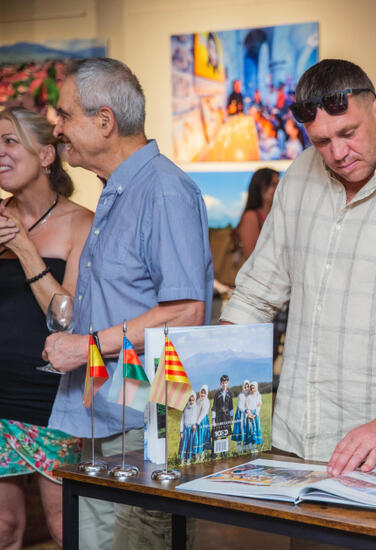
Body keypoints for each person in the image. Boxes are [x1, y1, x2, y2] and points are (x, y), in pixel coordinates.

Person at [221, 59, 376, 477]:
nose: (337, 153)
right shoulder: (298, 176)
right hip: (301, 433)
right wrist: (203, 379)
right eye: (321, 141)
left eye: (348, 133)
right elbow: (254, 296)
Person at [42, 57, 213, 550]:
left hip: (145, 422)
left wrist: (85, 347)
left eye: (64, 114)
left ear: (105, 121)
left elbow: (186, 312)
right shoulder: (119, 190)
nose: (57, 128)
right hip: (105, 416)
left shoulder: (163, 191)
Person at [0, 107, 93, 550]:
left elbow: (68, 317)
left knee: (63, 527)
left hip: (53, 397)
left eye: (9, 141)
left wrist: (23, 247)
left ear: (46, 155)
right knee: (4, 528)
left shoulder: (81, 223)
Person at [235, 168, 279, 262]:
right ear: (259, 186)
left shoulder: (276, 215)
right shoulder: (251, 217)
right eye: (273, 184)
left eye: (279, 184)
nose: (278, 188)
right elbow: (250, 255)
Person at [211, 374, 234, 456]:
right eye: (223, 383)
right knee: (215, 435)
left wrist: (231, 418)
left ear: (228, 383)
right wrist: (213, 420)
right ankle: (213, 453)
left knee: (224, 435)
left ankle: (223, 453)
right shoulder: (217, 394)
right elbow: (214, 407)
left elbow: (231, 407)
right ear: (220, 383)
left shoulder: (229, 394)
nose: (224, 384)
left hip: (226, 417)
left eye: (226, 383)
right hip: (218, 418)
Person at [193, 385, 211, 459]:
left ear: (206, 393)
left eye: (204, 393)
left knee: (203, 437)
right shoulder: (197, 401)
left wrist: (197, 422)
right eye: (201, 392)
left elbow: (203, 413)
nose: (202, 394)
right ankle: (197, 456)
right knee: (197, 438)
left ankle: (203, 455)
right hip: (197, 420)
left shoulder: (207, 401)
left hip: (203, 421)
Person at [179, 392, 197, 465]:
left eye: (192, 400)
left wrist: (195, 425)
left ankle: (189, 460)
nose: (191, 402)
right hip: (185, 430)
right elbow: (182, 421)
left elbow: (196, 418)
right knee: (184, 444)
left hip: (192, 430)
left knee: (190, 444)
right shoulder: (185, 409)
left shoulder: (196, 408)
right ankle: (182, 459)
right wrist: (181, 432)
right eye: (190, 400)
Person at [244, 382, 262, 452]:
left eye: (253, 388)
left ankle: (255, 447)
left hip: (255, 415)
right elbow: (246, 407)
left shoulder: (258, 396)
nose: (252, 389)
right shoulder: (248, 397)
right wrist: (249, 414)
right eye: (251, 388)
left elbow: (259, 406)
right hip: (250, 415)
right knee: (250, 430)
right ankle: (251, 447)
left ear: (256, 388)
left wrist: (256, 414)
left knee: (255, 429)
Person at [232, 381, 249, 453]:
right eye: (245, 387)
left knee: (245, 431)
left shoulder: (249, 395)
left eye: (247, 387)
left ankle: (244, 449)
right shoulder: (241, 395)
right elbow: (240, 406)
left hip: (247, 414)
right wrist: (245, 410)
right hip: (240, 415)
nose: (246, 388)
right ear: (243, 387)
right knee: (240, 431)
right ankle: (239, 450)